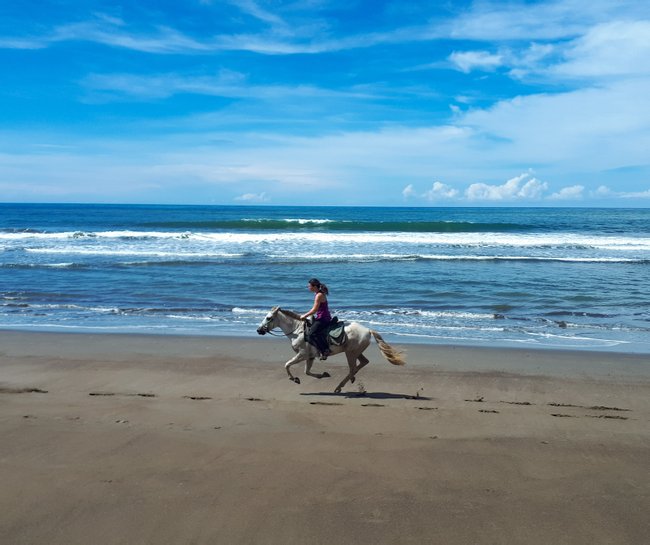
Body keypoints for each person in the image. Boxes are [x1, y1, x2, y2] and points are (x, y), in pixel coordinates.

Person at [300, 278, 332, 360]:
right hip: (321, 316)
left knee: (311, 334)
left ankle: (325, 350)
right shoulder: (318, 293)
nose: (308, 288)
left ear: (314, 286)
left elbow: (314, 310)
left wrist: (304, 315)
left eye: (309, 286)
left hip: (323, 318)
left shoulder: (319, 295)